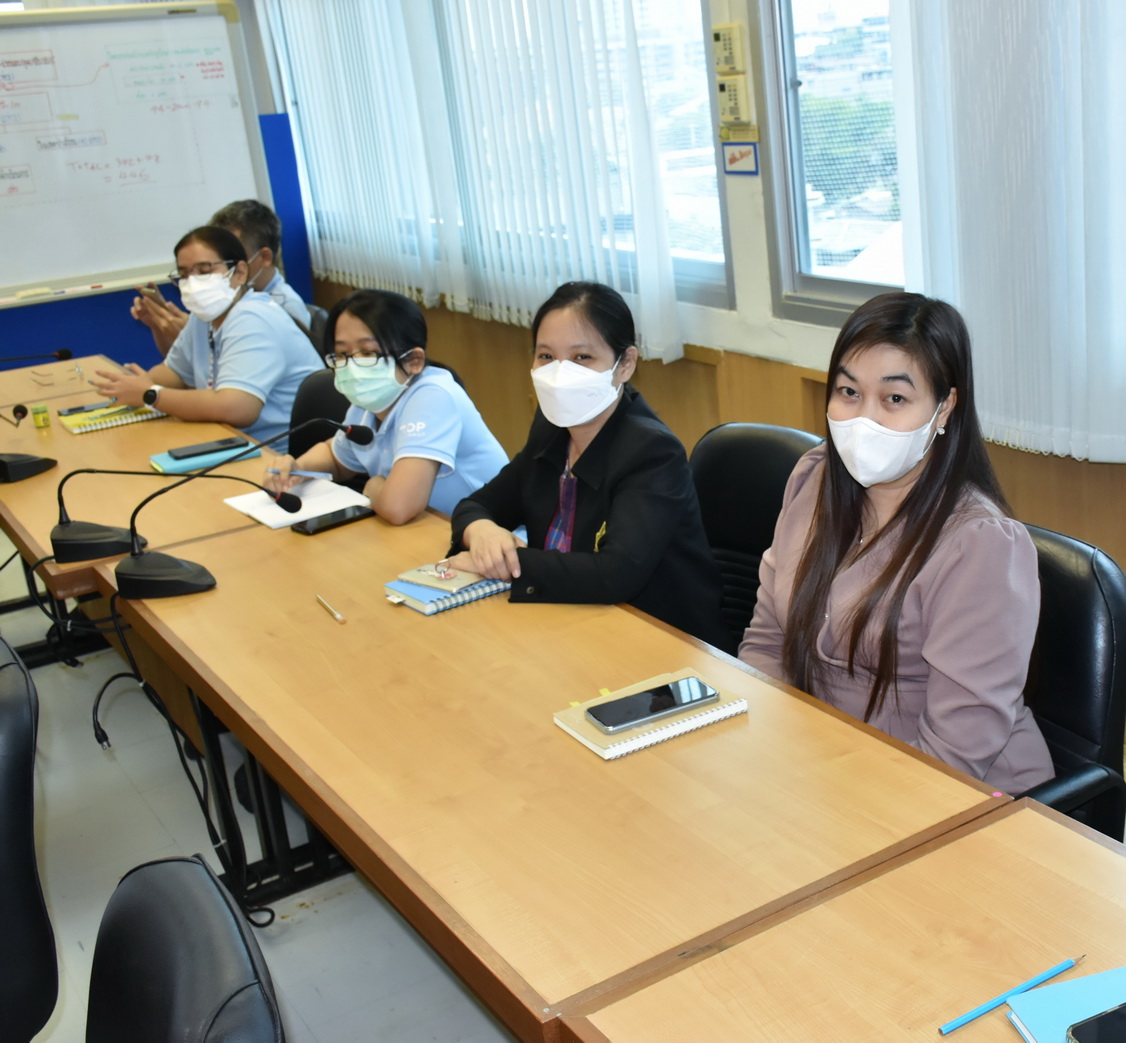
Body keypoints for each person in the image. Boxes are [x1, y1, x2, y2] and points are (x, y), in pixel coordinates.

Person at [738, 292, 1052, 795]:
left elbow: (953, 754)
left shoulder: (981, 546)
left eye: (895, 399)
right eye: (848, 392)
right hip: (824, 770)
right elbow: (767, 641)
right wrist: (771, 754)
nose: (864, 419)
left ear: (945, 408)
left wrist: (830, 794)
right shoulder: (813, 480)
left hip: (956, 798)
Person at [447, 281, 728, 649]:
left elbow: (615, 575)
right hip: (567, 623)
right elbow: (476, 504)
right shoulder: (551, 428)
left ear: (625, 365)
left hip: (661, 642)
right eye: (546, 356)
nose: (560, 374)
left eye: (582, 357)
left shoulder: (654, 453)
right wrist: (481, 532)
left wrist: (506, 563)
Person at [261, 289, 508, 523]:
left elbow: (398, 507)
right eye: (342, 354)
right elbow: (337, 458)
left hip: (489, 536)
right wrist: (298, 468)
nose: (352, 366)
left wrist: (374, 486)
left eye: (368, 353)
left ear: (414, 360)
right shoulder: (368, 404)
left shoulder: (434, 397)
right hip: (428, 530)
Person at [92, 226, 321, 443]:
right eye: (184, 274)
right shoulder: (203, 318)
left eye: (204, 271)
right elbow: (174, 373)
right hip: (234, 440)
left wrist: (151, 394)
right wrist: (135, 384)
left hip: (284, 452)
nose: (193, 283)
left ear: (240, 273)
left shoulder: (253, 318)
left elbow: (238, 408)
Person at [132, 198, 310, 355]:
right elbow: (182, 371)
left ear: (264, 257)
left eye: (205, 270)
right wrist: (160, 324)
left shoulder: (284, 307)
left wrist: (193, 339)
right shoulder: (218, 299)